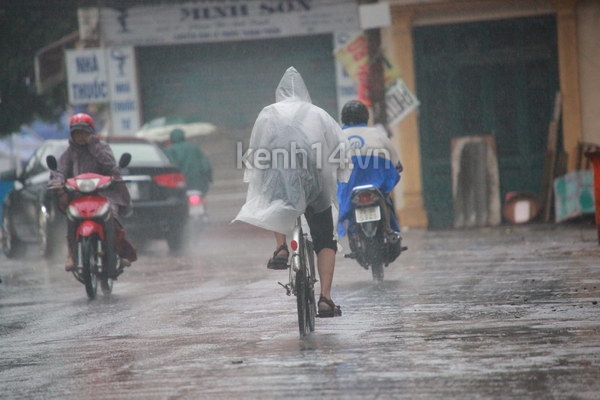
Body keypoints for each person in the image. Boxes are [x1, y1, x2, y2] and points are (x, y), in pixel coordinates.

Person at [233, 67, 351, 317]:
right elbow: (341, 148)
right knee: (324, 239)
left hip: (280, 177)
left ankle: (282, 247)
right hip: (316, 179)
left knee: (277, 197)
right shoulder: (319, 114)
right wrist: (339, 173)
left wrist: (260, 174)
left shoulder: (268, 113)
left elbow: (256, 150)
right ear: (305, 91)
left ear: (280, 91)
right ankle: (326, 300)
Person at [49, 112, 137, 272]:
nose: (81, 136)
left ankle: (118, 251)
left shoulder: (101, 147)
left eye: (84, 132)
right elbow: (60, 171)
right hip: (78, 195)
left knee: (113, 214)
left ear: (91, 132)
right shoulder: (69, 153)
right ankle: (71, 254)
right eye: (77, 133)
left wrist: (93, 147)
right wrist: (57, 181)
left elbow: (111, 166)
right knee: (71, 218)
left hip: (105, 193)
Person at [336, 100, 402, 239]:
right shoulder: (377, 134)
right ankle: (388, 229)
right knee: (385, 198)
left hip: (348, 190)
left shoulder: (337, 136)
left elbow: (327, 165)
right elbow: (395, 161)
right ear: (366, 117)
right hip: (376, 185)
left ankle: (352, 230)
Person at [163, 128, 212, 195]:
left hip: (179, 184)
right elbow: (206, 165)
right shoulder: (194, 148)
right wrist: (209, 178)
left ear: (171, 138)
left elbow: (168, 167)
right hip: (197, 183)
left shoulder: (168, 150)